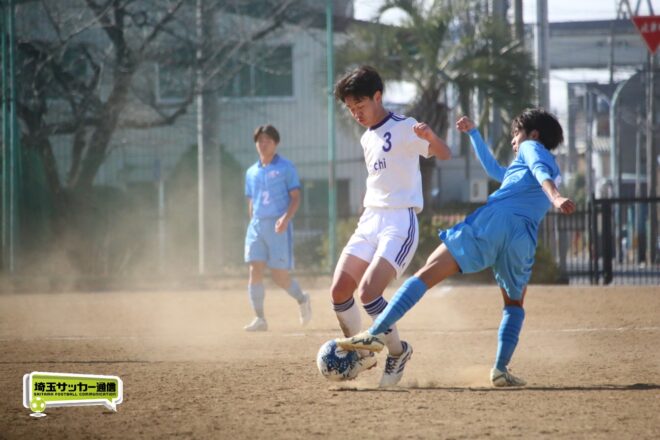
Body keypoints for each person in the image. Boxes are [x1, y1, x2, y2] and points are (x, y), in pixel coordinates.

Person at [337, 108, 576, 387]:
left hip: (494, 223)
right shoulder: (546, 166)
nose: (514, 140)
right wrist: (474, 134)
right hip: (523, 238)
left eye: (516, 133)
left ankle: (375, 333)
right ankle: (500, 369)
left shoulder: (531, 148)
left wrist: (556, 197)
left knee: (427, 272)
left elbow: (538, 170)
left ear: (533, 134)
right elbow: (496, 170)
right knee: (514, 305)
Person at [331, 66, 452, 386]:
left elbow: (445, 153)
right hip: (370, 218)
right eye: (350, 109)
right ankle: (361, 353)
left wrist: (431, 137)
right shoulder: (366, 138)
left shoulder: (405, 126)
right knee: (339, 290)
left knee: (369, 292)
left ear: (377, 96)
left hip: (399, 221)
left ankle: (398, 352)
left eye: (360, 105)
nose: (356, 114)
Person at [243, 124, 312, 331]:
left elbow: (296, 197)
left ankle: (302, 299)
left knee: (279, 276)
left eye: (268, 140)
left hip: (278, 227)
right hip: (256, 226)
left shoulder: (286, 167)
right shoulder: (251, 172)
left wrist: (285, 219)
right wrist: (252, 221)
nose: (263, 144)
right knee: (254, 269)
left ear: (276, 143)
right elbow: (251, 200)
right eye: (260, 141)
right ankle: (260, 319)